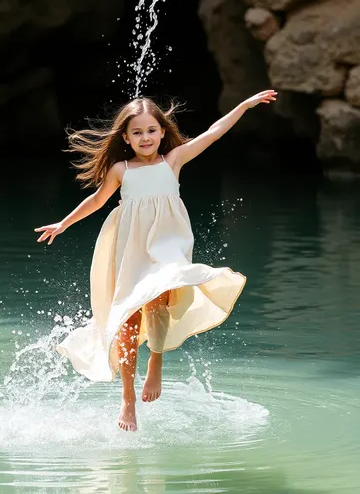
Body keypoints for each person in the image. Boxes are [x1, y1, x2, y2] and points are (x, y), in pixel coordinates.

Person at [35, 90, 277, 432]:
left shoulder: (173, 161)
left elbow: (213, 133)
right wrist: (64, 223)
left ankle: (157, 364)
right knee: (129, 322)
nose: (145, 137)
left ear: (162, 132)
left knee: (161, 297)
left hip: (167, 247)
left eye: (151, 130)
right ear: (126, 137)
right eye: (137, 132)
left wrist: (244, 105)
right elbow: (97, 199)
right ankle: (127, 400)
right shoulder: (121, 169)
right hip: (131, 248)